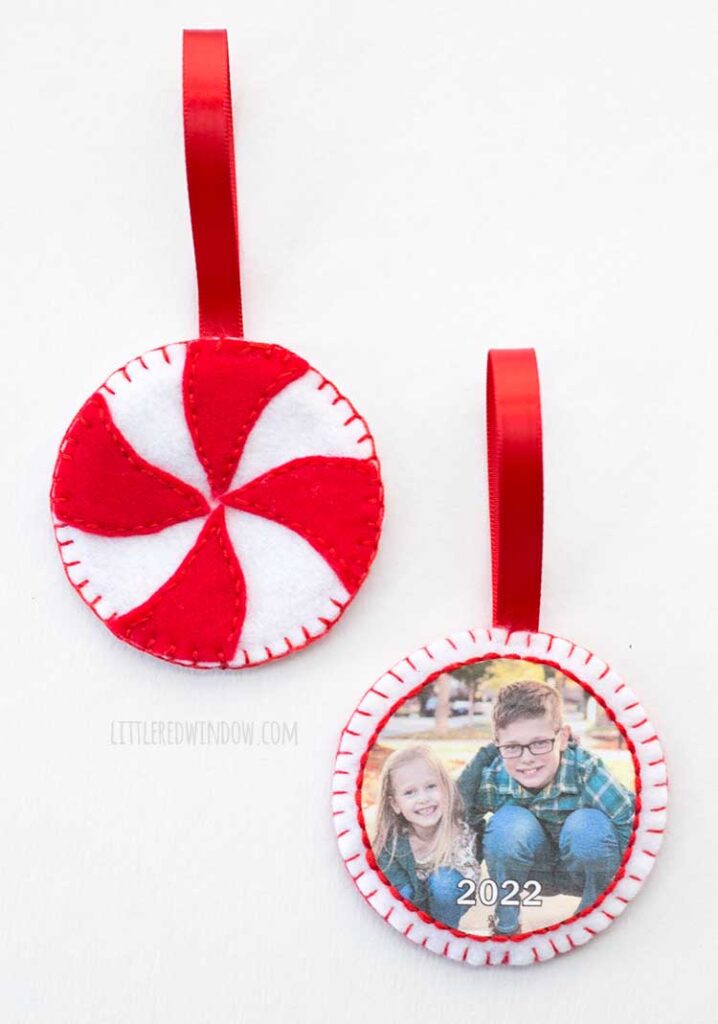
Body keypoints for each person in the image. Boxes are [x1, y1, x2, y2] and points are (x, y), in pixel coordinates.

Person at [458, 680, 635, 936]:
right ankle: (506, 926)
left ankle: (590, 920)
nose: (527, 758)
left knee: (587, 825)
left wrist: (626, 892)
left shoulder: (585, 770)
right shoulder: (493, 777)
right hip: (532, 874)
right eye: (512, 747)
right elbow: (463, 826)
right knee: (507, 824)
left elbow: (628, 823)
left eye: (540, 743)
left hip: (586, 870)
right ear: (497, 744)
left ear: (562, 738)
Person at [373, 745, 480, 928]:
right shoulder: (391, 846)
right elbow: (400, 893)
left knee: (443, 881)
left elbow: (477, 767)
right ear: (395, 804)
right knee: (400, 893)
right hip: (414, 903)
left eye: (431, 787)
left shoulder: (459, 815)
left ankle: (444, 932)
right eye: (409, 792)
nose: (423, 799)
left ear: (445, 788)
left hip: (453, 893)